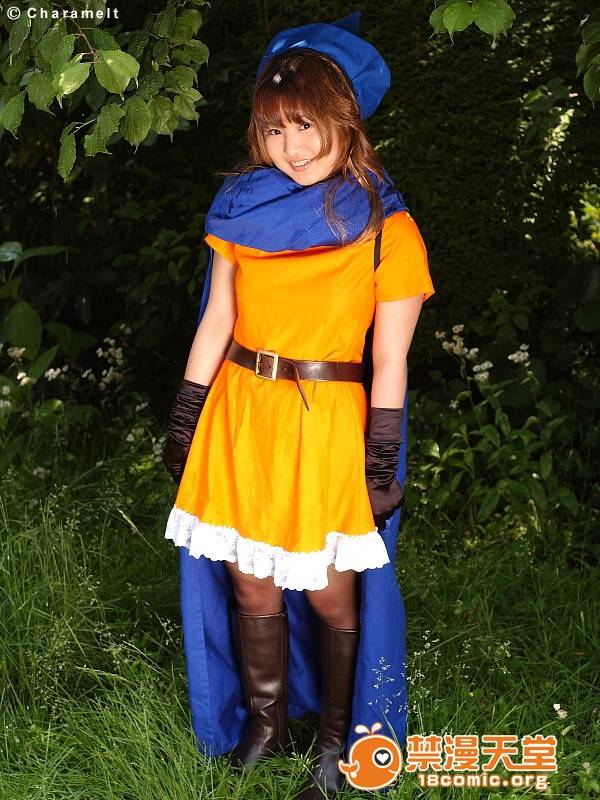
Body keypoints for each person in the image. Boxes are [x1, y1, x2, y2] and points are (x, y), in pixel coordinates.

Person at [162, 11, 435, 799]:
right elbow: (218, 319)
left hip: (326, 426)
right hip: (241, 411)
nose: (294, 146)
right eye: (276, 129)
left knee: (327, 589)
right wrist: (185, 415)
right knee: (249, 579)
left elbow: (390, 358)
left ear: (346, 120)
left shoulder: (388, 228)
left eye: (308, 124)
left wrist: (380, 458)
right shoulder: (240, 211)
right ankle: (265, 726)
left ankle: (335, 745)